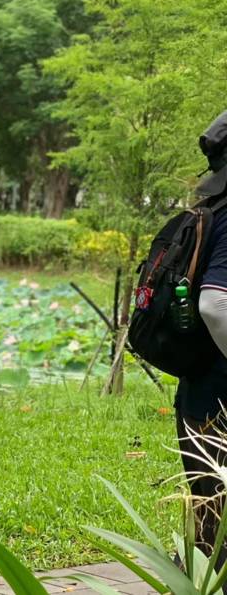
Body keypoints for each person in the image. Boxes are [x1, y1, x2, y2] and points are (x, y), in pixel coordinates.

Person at [182, 107, 227, 565]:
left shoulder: (207, 208)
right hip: (222, 391)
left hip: (199, 388)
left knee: (210, 533)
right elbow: (215, 303)